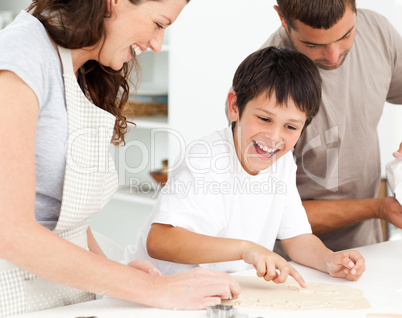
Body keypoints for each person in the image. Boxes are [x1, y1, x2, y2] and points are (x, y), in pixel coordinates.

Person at [0, 0, 240, 316]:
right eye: (159, 23)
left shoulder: (79, 68)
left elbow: (65, 217)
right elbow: (11, 232)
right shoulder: (20, 56)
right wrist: (152, 289)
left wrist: (115, 273)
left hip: (62, 295)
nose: (157, 44)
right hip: (16, 297)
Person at [124, 47, 366, 287]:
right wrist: (246, 249)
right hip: (160, 290)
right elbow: (160, 241)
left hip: (219, 292)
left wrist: (329, 260)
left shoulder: (282, 162)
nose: (274, 137)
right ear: (235, 107)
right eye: (264, 119)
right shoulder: (205, 160)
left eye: (290, 127)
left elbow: (297, 237)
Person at [233, 0, 402, 255]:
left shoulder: (377, 31)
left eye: (346, 35)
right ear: (282, 19)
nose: (333, 56)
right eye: (312, 44)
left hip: (367, 248)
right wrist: (377, 208)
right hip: (286, 262)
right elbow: (273, 214)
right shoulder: (264, 90)